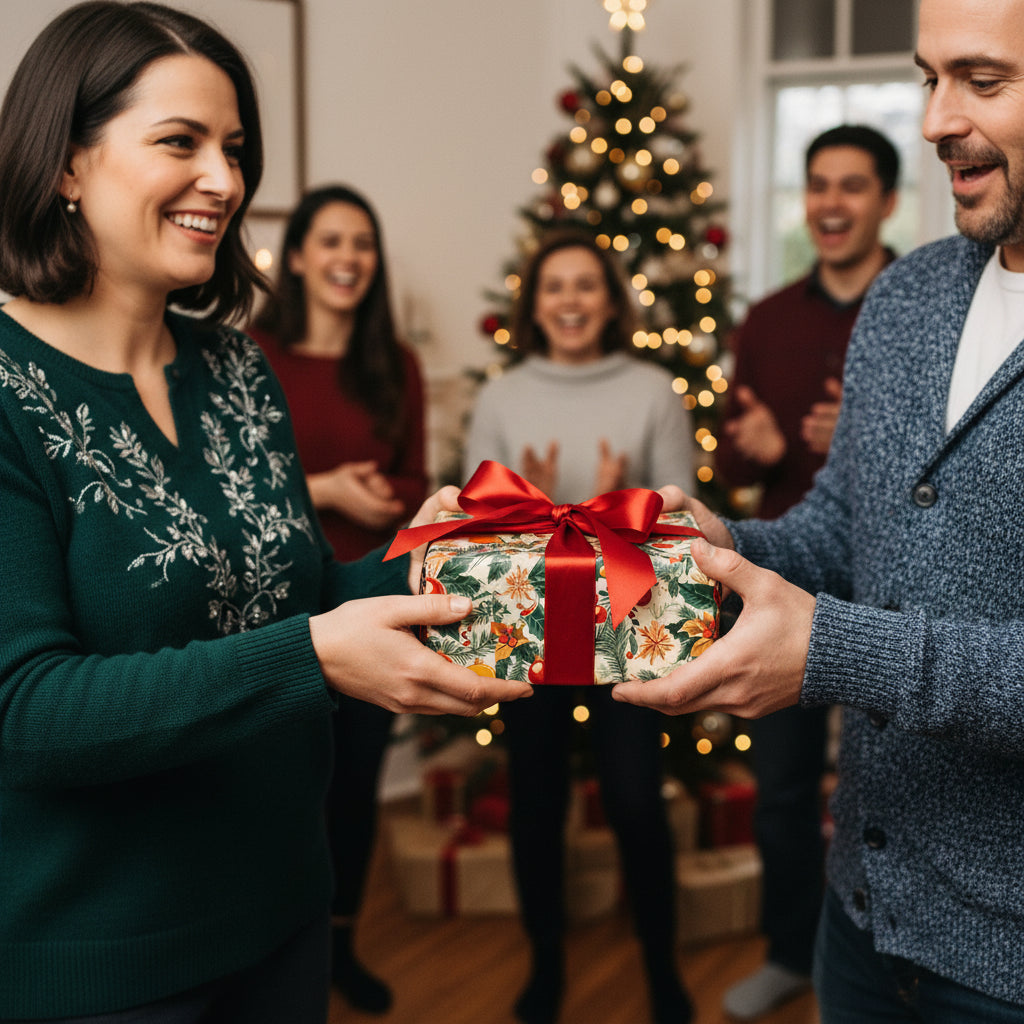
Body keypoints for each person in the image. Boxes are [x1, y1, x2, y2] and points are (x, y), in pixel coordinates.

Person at [0, 4, 529, 1022]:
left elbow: (300, 599)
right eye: (180, 143)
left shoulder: (236, 365)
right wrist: (315, 657)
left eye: (234, 149)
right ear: (67, 164)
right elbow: (24, 710)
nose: (226, 182)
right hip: (103, 967)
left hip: (284, 919)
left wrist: (428, 558)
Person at [614, 0, 1024, 1019]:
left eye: (981, 80)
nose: (932, 120)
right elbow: (839, 530)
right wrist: (726, 543)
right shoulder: (907, 299)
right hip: (862, 920)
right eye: (929, 77)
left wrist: (836, 651)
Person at [463, 229, 696, 1024]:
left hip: (629, 640)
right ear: (532, 303)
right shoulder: (499, 397)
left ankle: (663, 973)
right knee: (535, 804)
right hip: (532, 644)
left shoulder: (655, 390)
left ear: (610, 300)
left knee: (636, 803)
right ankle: (545, 970)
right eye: (553, 286)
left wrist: (615, 501)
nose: (568, 300)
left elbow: (682, 524)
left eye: (586, 286)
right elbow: (479, 538)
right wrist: (527, 508)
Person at [714, 124, 900, 1021]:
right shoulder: (767, 322)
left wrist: (860, 446)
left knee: (898, 784)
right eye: (818, 185)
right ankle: (793, 950)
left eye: (852, 187)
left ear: (888, 202)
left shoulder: (915, 308)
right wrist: (761, 452)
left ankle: (892, 958)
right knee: (783, 788)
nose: (831, 204)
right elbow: (736, 470)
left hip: (903, 600)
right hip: (785, 585)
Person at [248, 183, 427, 1014]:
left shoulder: (398, 363)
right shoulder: (250, 357)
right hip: (283, 612)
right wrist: (328, 491)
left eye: (363, 243)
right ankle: (277, 950)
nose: (349, 258)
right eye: (331, 242)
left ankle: (340, 949)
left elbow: (416, 480)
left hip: (382, 610)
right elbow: (239, 488)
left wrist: (390, 502)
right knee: (285, 793)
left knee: (355, 789)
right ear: (296, 257)